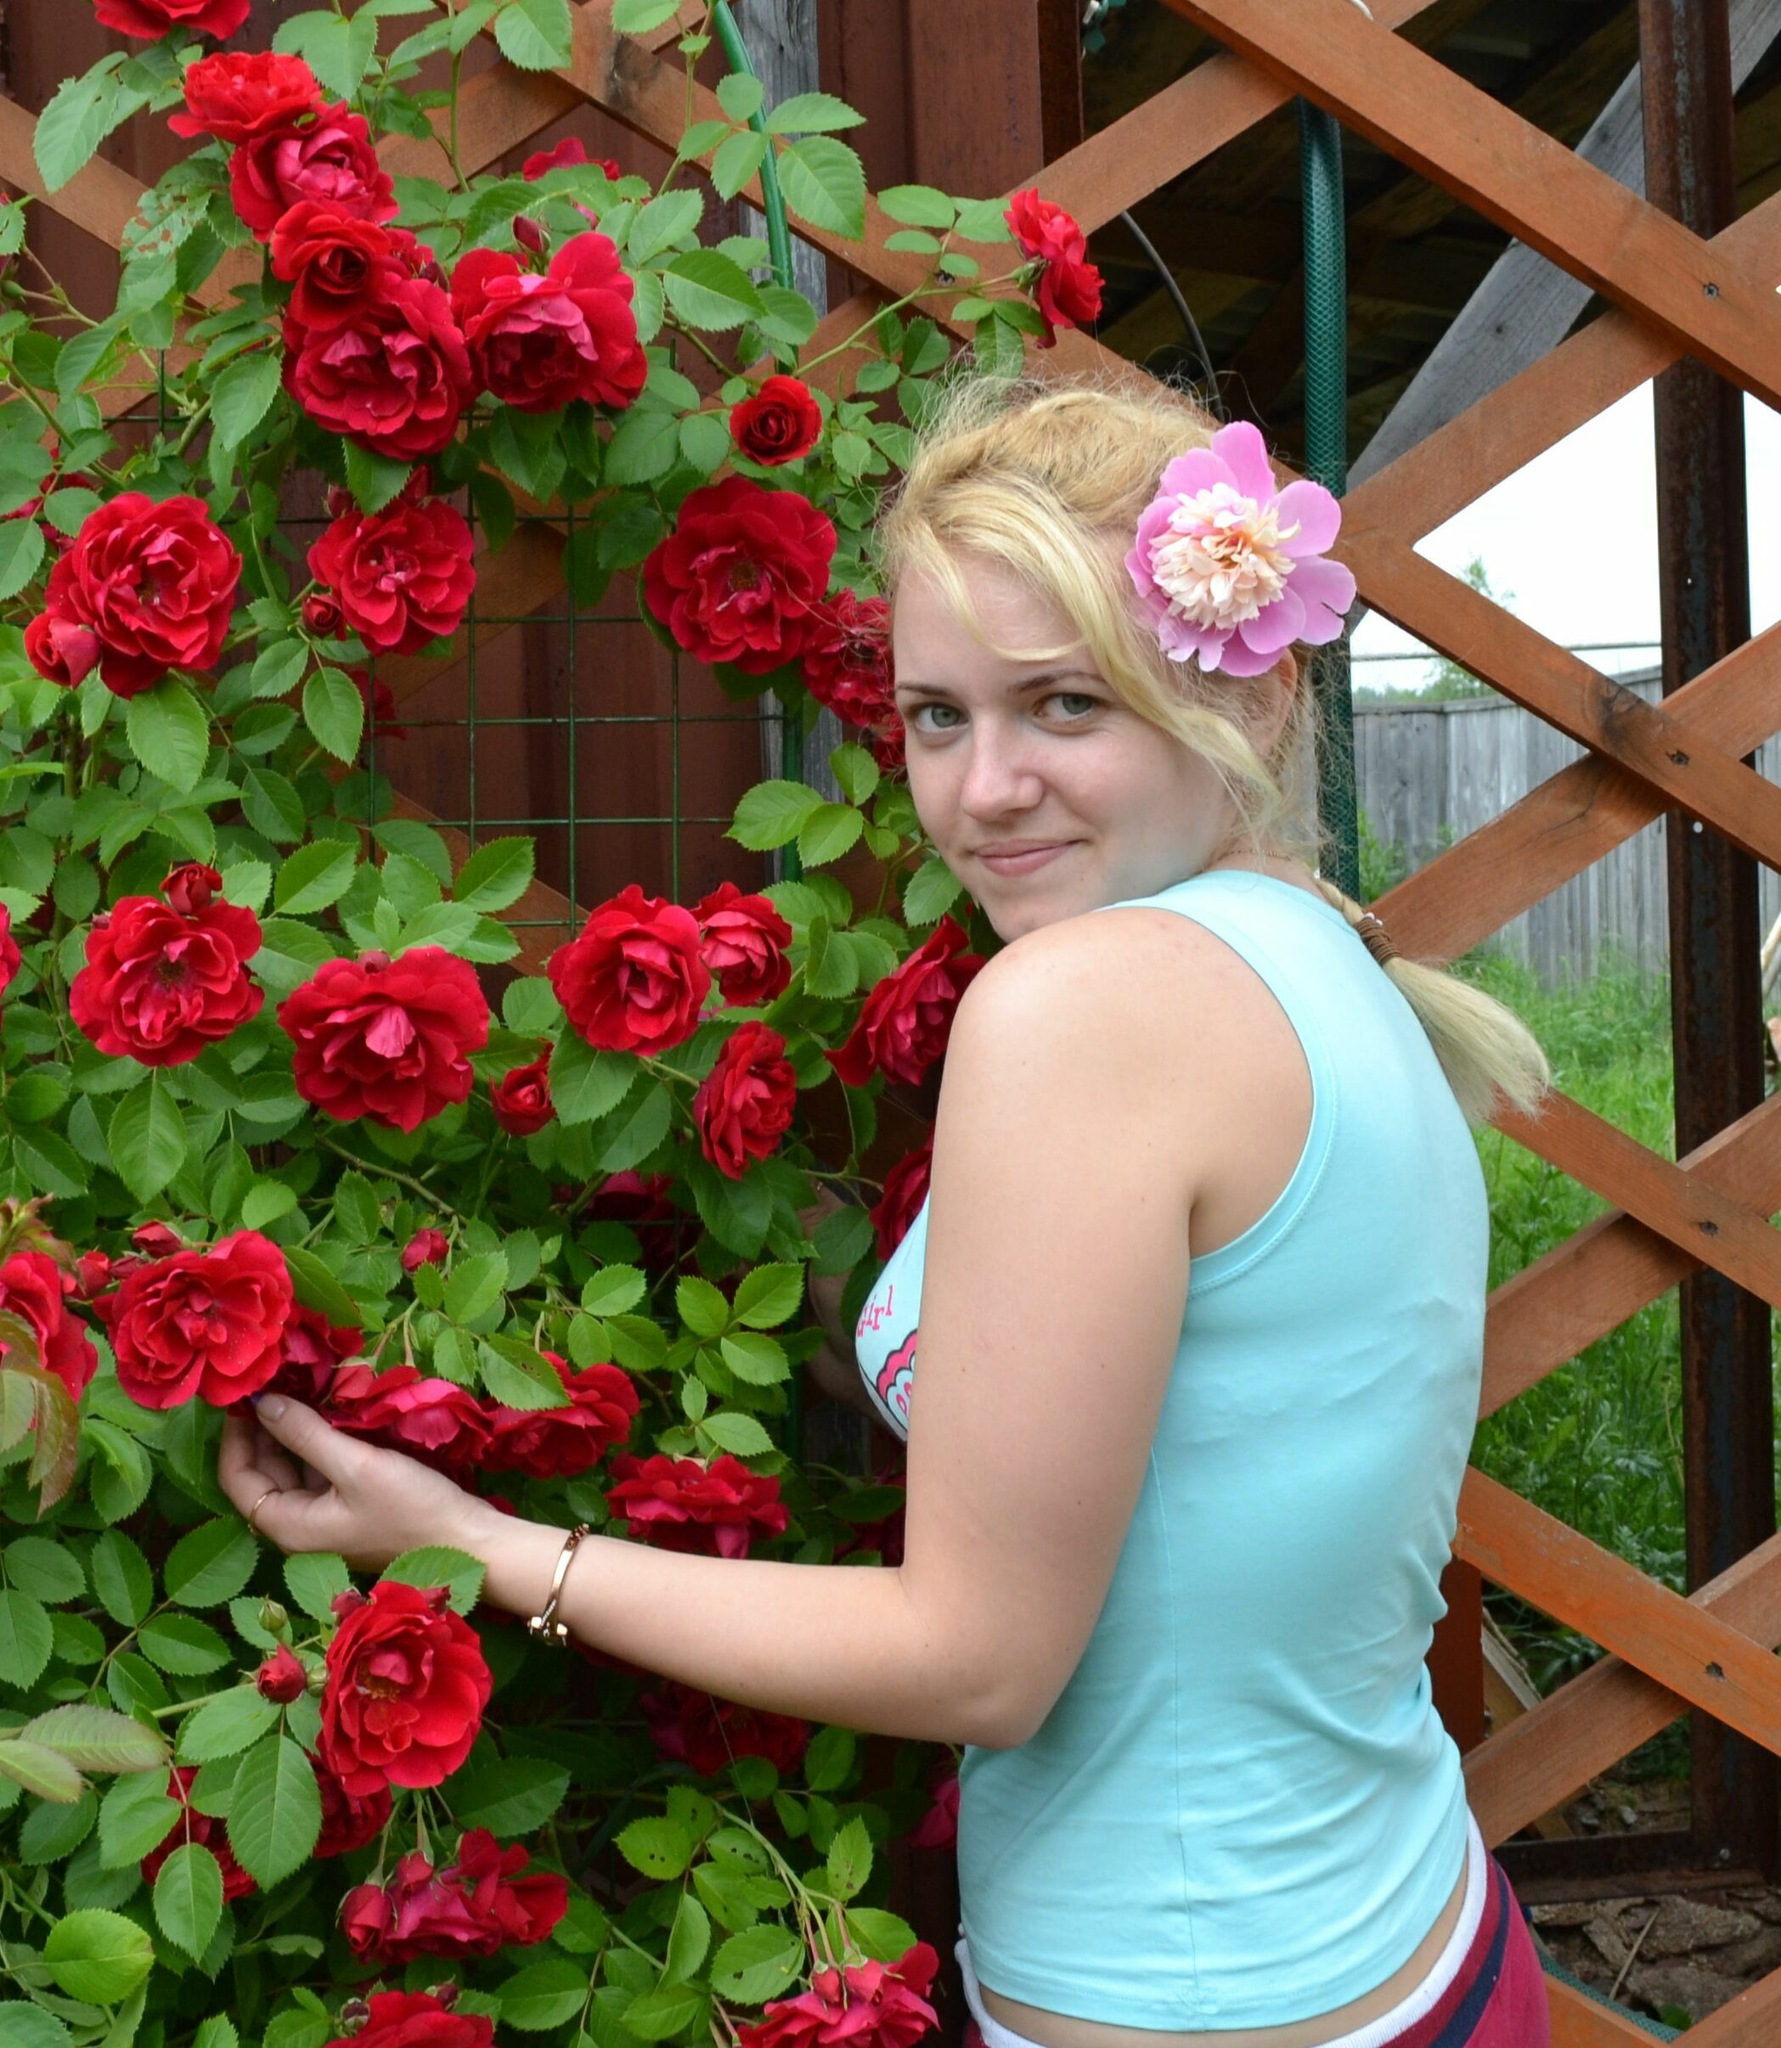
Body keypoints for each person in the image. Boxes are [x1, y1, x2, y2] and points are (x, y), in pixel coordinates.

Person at [221, 377, 1554, 2048]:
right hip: (1421, 1940)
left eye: (1062, 703)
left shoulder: (1086, 1007)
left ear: (1252, 686)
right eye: (935, 716)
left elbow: (976, 1660)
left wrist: (484, 1547)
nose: (981, 789)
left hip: (1200, 2000)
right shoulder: (1324, 951)